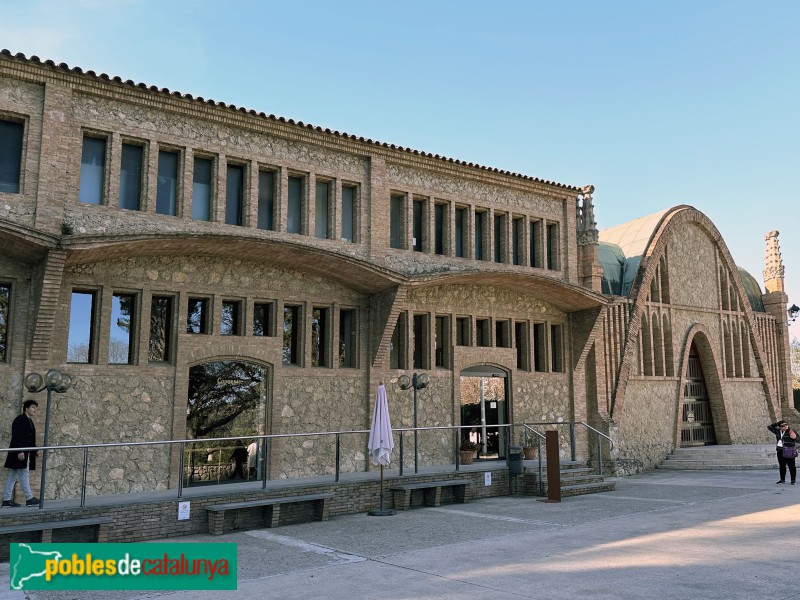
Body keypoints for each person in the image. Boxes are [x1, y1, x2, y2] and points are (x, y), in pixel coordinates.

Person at [3, 399, 40, 507]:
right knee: (24, 474)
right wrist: (20, 451)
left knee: (13, 475)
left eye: (35, 408)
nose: (35, 410)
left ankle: (6, 500)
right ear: (26, 408)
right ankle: (29, 498)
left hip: (24, 451)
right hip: (19, 452)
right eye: (33, 407)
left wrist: (35, 449)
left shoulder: (29, 420)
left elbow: (29, 438)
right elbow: (17, 436)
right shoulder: (19, 420)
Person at [767, 419, 797, 485]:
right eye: (783, 425)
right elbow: (769, 427)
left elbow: (798, 439)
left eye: (786, 425)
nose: (785, 426)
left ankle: (793, 480)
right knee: (782, 466)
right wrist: (777, 423)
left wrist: (795, 437)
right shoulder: (778, 431)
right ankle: (782, 479)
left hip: (789, 450)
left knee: (791, 466)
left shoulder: (791, 431)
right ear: (780, 427)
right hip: (780, 450)